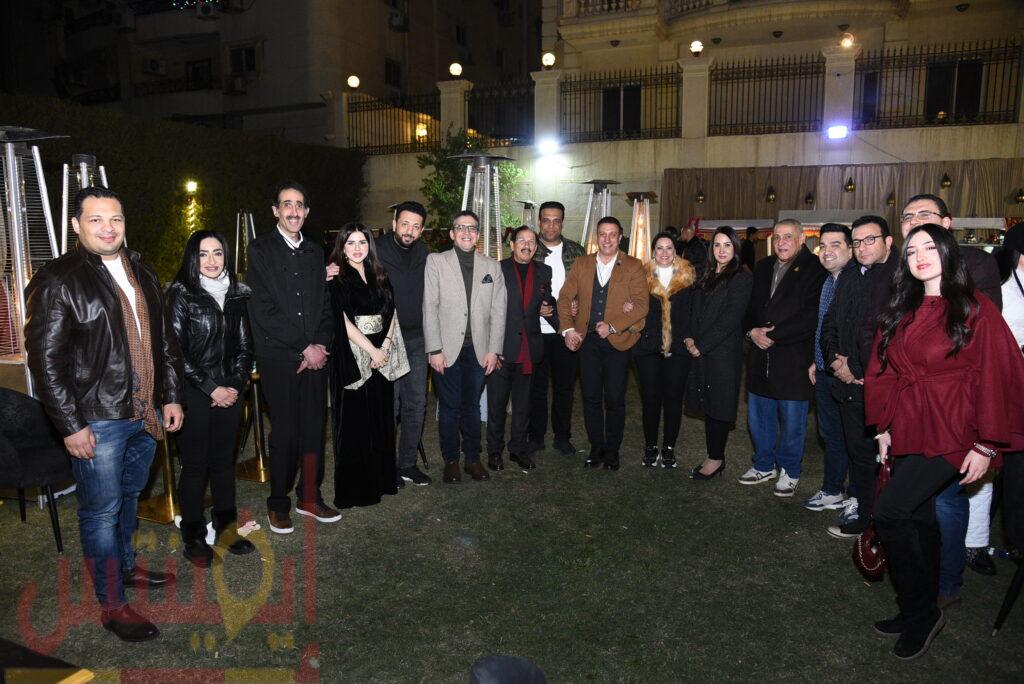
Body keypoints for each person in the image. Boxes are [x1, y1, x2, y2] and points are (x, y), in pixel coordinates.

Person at [25, 186, 184, 642]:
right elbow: (45, 362)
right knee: (100, 512)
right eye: (95, 219)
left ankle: (127, 568)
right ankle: (112, 605)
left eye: (115, 218)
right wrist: (70, 425)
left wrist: (171, 396)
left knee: (130, 497)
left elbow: (163, 340)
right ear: (76, 225)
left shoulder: (141, 269)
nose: (108, 228)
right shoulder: (58, 279)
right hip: (97, 419)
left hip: (144, 412)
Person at [865, 223, 1024, 660]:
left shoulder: (974, 307)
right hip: (909, 423)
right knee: (918, 519)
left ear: (948, 253)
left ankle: (922, 613)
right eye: (912, 250)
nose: (919, 256)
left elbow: (998, 374)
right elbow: (883, 369)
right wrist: (883, 427)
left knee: (890, 511)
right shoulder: (902, 306)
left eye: (930, 247)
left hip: (955, 428)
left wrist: (987, 444)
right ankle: (915, 607)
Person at [247, 181, 339, 534]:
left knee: (315, 430)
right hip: (280, 357)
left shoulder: (316, 251)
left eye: (300, 204)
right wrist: (304, 347)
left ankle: (310, 496)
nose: (294, 211)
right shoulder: (260, 250)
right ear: (275, 210)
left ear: (307, 211)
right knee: (284, 433)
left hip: (316, 357)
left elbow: (325, 305)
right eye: (287, 204)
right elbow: (263, 309)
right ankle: (278, 502)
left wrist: (320, 345)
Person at [166, 230, 255, 567]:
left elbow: (245, 346)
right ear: (193, 258)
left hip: (230, 391)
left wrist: (234, 385)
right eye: (203, 254)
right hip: (194, 392)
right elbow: (175, 351)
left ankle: (226, 529)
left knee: (223, 463)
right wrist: (210, 388)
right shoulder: (180, 294)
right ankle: (193, 536)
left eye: (218, 253)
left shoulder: (236, 294)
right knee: (195, 466)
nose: (212, 260)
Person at [740, 219, 827, 496]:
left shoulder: (815, 269)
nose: (781, 242)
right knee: (759, 417)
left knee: (792, 423)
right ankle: (764, 464)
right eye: (777, 237)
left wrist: (772, 335)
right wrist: (752, 331)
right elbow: (749, 307)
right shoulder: (763, 266)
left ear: (802, 239)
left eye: (788, 236)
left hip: (793, 358)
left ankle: (790, 470)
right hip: (759, 355)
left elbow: (811, 315)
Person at [821, 215, 893, 538]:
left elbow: (890, 334)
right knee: (859, 455)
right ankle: (864, 515)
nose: (863, 247)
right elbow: (829, 323)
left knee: (883, 459)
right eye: (857, 242)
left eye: (870, 240)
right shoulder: (850, 275)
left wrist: (859, 369)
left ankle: (880, 520)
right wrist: (835, 362)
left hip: (878, 386)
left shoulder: (900, 277)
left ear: (888, 242)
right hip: (847, 385)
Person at [557, 217, 648, 470]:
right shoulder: (582, 263)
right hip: (587, 342)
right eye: (602, 234)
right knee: (590, 396)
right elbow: (565, 297)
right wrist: (568, 329)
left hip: (618, 342)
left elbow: (642, 305)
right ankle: (596, 447)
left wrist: (613, 325)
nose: (607, 239)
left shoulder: (633, 265)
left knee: (615, 398)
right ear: (597, 237)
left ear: (620, 237)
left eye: (612, 234)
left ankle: (613, 451)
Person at [423, 210, 506, 484]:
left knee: (471, 406)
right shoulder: (436, 262)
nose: (466, 232)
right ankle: (451, 461)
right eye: (460, 227)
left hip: (479, 351)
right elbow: (429, 307)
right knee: (449, 407)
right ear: (452, 233)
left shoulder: (492, 267)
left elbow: (499, 311)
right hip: (446, 350)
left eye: (471, 228)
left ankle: (472, 459)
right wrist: (434, 350)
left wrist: (494, 350)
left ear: (478, 235)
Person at [327, 223, 405, 507]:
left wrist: (384, 348)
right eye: (351, 243)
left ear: (369, 245)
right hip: (352, 354)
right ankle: (357, 490)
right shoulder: (336, 278)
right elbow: (342, 321)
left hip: (381, 354)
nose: (357, 248)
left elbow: (392, 312)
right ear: (342, 246)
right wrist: (371, 349)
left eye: (362, 242)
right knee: (355, 423)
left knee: (381, 419)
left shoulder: (379, 274)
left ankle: (382, 482)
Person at [486, 226, 557, 471]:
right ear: (512, 245)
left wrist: (554, 313)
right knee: (496, 405)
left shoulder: (544, 271)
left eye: (531, 241)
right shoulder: (497, 269)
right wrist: (490, 347)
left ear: (536, 247)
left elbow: (547, 299)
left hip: (529, 348)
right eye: (522, 240)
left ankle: (518, 449)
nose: (526, 245)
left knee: (523, 405)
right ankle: (494, 451)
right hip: (501, 348)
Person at [685, 226, 753, 480]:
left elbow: (730, 318)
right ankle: (713, 455)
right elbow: (694, 310)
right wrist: (690, 337)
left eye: (727, 245)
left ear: (735, 248)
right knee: (708, 404)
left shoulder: (741, 277)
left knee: (720, 406)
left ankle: (716, 458)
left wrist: (701, 345)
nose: (722, 250)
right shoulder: (705, 273)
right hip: (701, 350)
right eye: (717, 245)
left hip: (722, 353)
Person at [376, 201, 433, 486]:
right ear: (394, 222)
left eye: (415, 226)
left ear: (422, 230)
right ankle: (386, 466)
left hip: (417, 339)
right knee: (390, 406)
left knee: (416, 404)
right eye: (405, 223)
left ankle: (407, 464)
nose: (409, 230)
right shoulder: (375, 250)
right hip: (387, 340)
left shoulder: (425, 254)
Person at [632, 231, 696, 467]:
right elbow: (633, 305)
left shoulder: (689, 276)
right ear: (653, 251)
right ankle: (650, 446)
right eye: (660, 248)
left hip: (678, 349)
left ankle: (669, 448)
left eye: (669, 248)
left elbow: (693, 312)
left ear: (676, 251)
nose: (664, 252)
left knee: (673, 399)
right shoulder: (640, 276)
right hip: (648, 347)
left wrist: (690, 338)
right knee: (650, 399)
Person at [803, 224, 855, 513]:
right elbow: (824, 328)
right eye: (823, 245)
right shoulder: (828, 281)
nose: (827, 251)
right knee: (831, 434)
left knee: (853, 439)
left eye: (836, 244)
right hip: (825, 370)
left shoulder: (855, 282)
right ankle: (833, 490)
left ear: (851, 249)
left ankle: (857, 497)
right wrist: (818, 359)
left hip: (847, 373)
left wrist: (849, 364)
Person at [529, 200, 586, 456]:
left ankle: (562, 437)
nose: (551, 226)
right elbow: (516, 287)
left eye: (556, 221)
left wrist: (578, 303)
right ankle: (536, 437)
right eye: (546, 220)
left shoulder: (577, 251)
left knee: (565, 388)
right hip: (536, 331)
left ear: (562, 223)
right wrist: (534, 307)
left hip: (566, 332)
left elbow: (588, 287)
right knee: (536, 388)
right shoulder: (528, 249)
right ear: (539, 222)